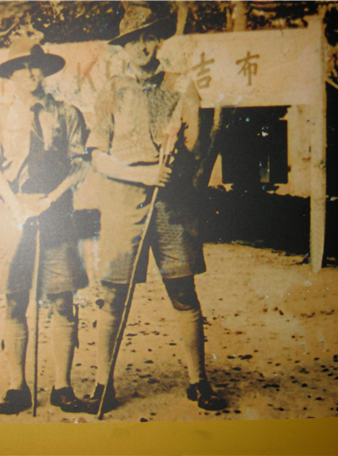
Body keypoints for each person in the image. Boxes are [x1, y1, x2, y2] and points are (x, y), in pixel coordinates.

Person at [85, 4, 227, 413]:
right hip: (122, 204)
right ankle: (103, 384)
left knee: (183, 291)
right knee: (112, 295)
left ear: (158, 41)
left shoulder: (182, 85)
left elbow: (196, 150)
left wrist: (185, 140)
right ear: (123, 47)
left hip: (172, 205)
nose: (142, 47)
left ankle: (198, 381)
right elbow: (98, 158)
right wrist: (142, 174)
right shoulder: (111, 90)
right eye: (133, 41)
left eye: (148, 38)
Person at [0, 37, 89, 415]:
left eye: (35, 66)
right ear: (10, 75)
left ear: (44, 71)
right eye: (21, 67)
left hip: (55, 211)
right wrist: (16, 205)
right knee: (15, 300)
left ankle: (62, 386)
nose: (29, 73)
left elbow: (80, 164)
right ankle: (17, 386)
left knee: (62, 299)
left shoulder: (67, 113)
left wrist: (51, 199)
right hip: (13, 214)